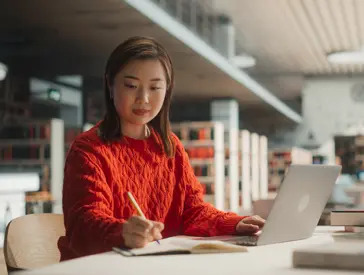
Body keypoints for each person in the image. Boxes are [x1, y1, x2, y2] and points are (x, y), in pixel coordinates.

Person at [58, 36, 265, 261]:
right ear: (110, 84)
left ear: (167, 90)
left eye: (155, 87)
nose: (143, 98)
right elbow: (84, 224)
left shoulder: (171, 146)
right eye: (131, 86)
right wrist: (123, 232)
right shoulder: (89, 149)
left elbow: (192, 211)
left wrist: (234, 222)